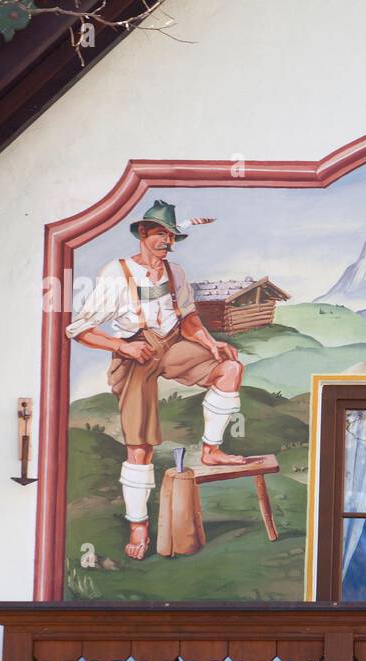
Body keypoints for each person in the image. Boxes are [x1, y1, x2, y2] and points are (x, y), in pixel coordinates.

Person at [66, 200, 244, 560]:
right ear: (143, 234)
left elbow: (189, 318)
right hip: (135, 351)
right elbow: (80, 330)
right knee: (140, 444)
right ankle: (138, 524)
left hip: (174, 344)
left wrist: (212, 344)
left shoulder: (175, 273)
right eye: (160, 233)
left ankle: (211, 450)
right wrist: (122, 347)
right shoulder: (117, 274)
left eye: (171, 235)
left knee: (230, 369)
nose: (167, 241)